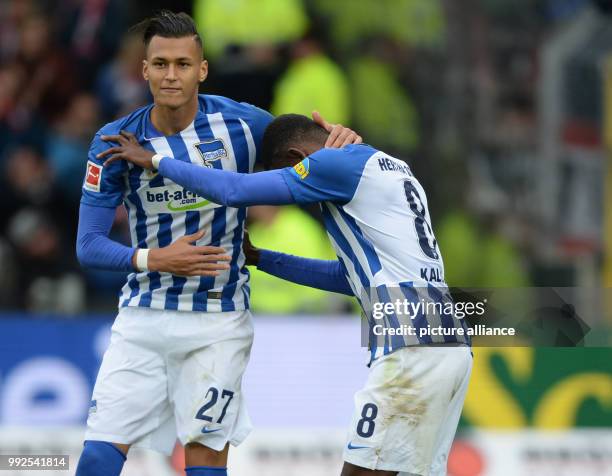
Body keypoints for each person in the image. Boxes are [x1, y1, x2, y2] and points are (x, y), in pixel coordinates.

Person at [101, 113, 473, 476]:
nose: (299, 195)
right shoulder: (388, 166)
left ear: (296, 159)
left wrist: (155, 159)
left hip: (410, 345)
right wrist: (262, 258)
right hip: (450, 340)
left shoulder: (333, 166)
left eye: (288, 175)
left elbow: (234, 191)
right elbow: (350, 278)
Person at [75, 11, 359, 476]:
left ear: (202, 70)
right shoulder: (115, 141)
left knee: (204, 461)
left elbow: (311, 152)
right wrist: (154, 258)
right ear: (143, 69)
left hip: (218, 324)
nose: (171, 75)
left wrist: (339, 141)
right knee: (97, 458)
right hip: (143, 319)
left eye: (183, 64)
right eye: (161, 64)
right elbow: (87, 246)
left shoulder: (245, 125)